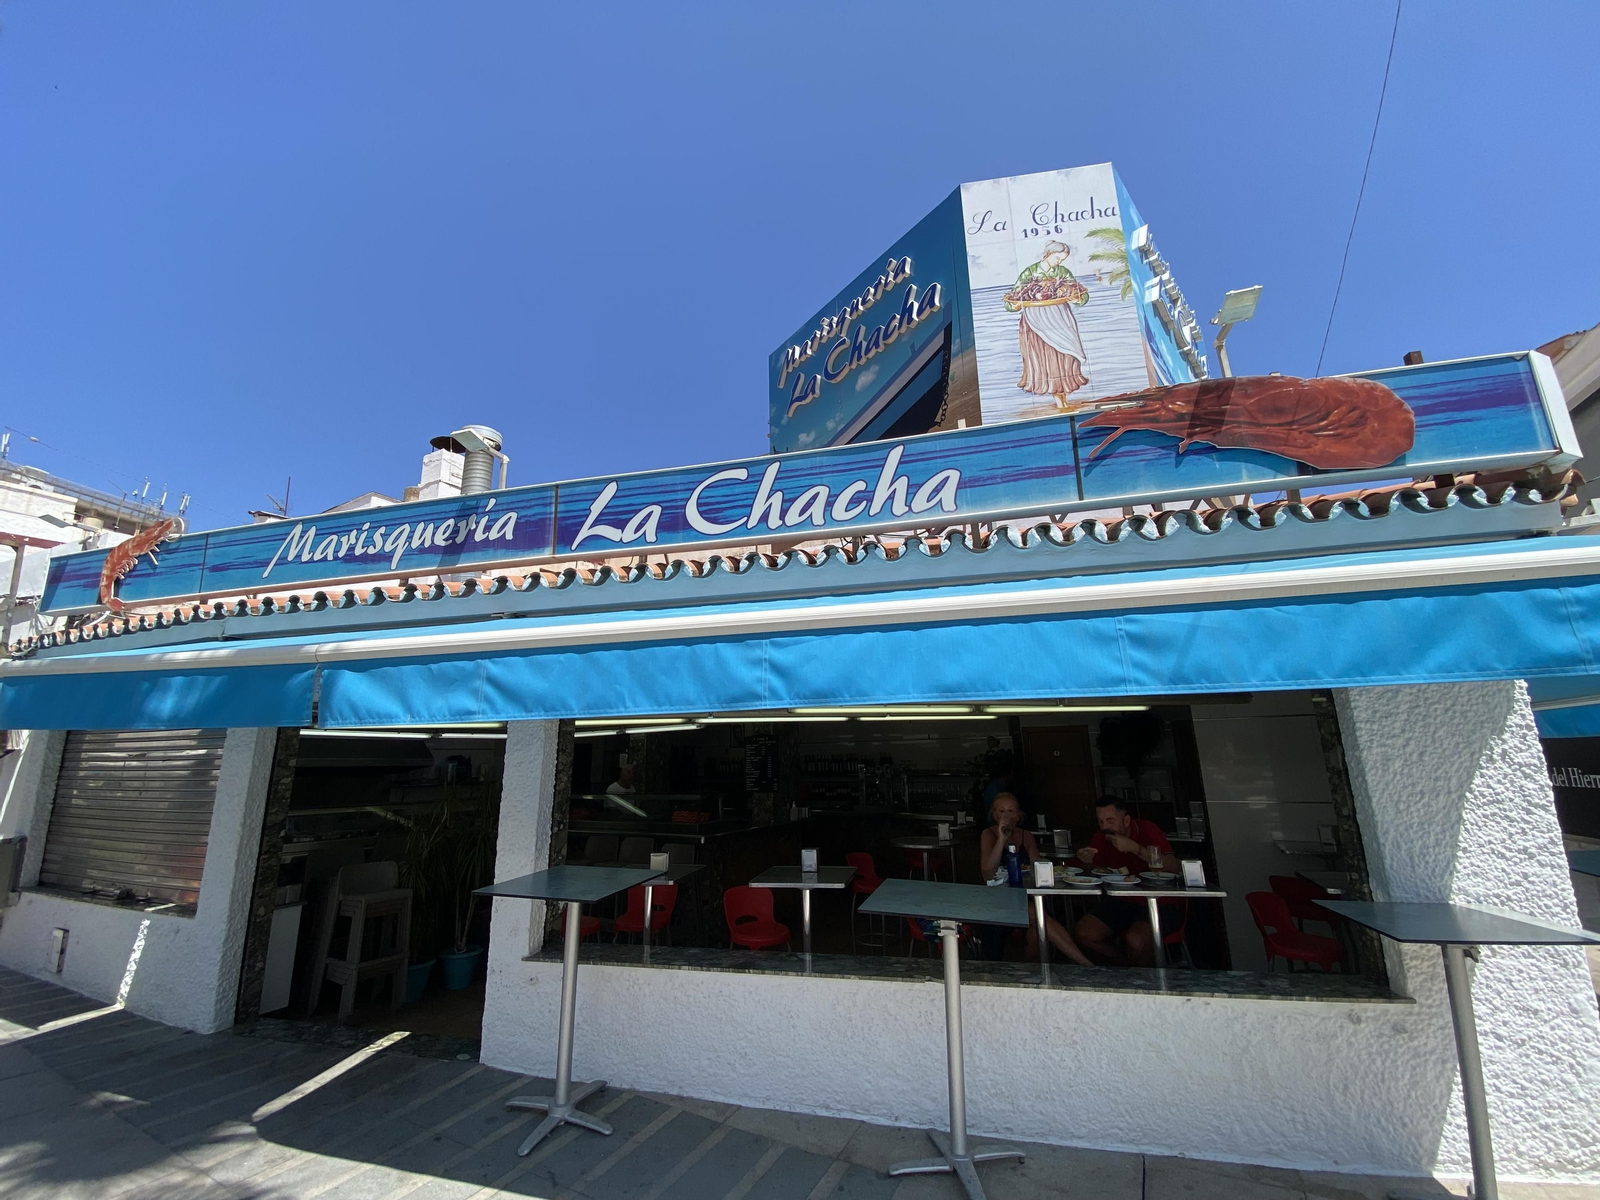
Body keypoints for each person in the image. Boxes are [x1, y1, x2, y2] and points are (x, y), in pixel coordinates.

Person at [978, 792, 1093, 967]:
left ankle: (1033, 974)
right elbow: (987, 871)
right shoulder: (988, 835)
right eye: (1001, 811)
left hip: (1026, 894)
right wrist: (1001, 840)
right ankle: (1085, 964)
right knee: (1035, 912)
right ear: (994, 815)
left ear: (1018, 815)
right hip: (998, 899)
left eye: (1011, 811)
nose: (1006, 816)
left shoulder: (1026, 836)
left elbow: (1038, 867)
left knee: (1035, 933)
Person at [1072, 795, 1178, 966]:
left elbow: (1173, 866)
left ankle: (1147, 979)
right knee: (1083, 933)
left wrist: (1136, 849)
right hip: (1122, 900)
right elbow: (1092, 873)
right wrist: (1087, 863)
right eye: (1100, 822)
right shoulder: (1100, 838)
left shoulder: (1147, 829)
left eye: (1110, 821)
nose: (1104, 827)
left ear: (1126, 820)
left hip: (1160, 901)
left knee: (1137, 939)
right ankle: (1126, 966)